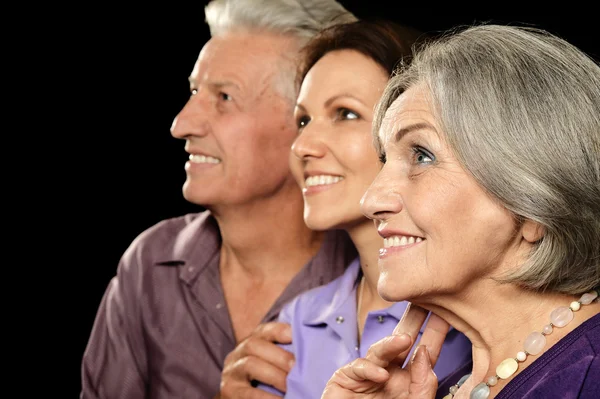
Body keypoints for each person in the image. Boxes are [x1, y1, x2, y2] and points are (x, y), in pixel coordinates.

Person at [80, 1, 360, 398]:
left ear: (305, 126)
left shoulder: (379, 279)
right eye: (195, 91)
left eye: (224, 97)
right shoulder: (150, 266)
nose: (181, 124)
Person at [319, 23, 600, 399]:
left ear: (535, 199)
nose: (371, 201)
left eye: (422, 155)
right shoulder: (456, 385)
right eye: (385, 160)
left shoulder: (589, 376)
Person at [221, 19, 473, 399]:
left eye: (345, 113)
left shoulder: (474, 318)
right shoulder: (294, 324)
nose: (302, 145)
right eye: (303, 120)